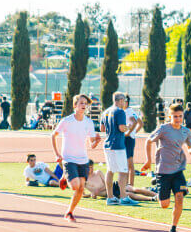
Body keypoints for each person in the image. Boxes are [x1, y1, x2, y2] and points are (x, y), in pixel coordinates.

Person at [142, 103, 191, 232]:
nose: (177, 119)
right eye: (175, 116)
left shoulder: (186, 131)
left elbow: (190, 146)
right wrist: (148, 161)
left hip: (178, 171)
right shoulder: (164, 129)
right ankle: (159, 188)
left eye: (180, 116)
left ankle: (173, 229)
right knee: (164, 205)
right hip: (163, 171)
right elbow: (148, 141)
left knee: (179, 198)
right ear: (169, 116)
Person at [51, 94, 101, 222]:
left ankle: (69, 212)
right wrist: (57, 154)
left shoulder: (89, 122)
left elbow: (92, 145)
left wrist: (97, 141)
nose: (84, 106)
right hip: (69, 159)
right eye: (81, 103)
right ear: (75, 105)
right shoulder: (67, 121)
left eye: (85, 103)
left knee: (81, 188)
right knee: (75, 186)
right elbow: (53, 135)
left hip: (83, 159)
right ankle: (65, 176)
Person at [100, 92, 138, 206]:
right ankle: (123, 197)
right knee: (123, 171)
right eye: (124, 100)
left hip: (107, 144)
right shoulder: (120, 111)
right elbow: (122, 128)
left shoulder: (105, 112)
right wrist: (129, 127)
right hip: (118, 145)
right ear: (120, 100)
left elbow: (102, 129)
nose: (125, 102)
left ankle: (110, 197)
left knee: (110, 170)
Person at [85, 160, 156, 201]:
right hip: (110, 193)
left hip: (112, 186)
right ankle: (151, 199)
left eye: (92, 167)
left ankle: (157, 195)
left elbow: (107, 184)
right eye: (89, 167)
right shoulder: (84, 180)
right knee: (129, 194)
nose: (91, 169)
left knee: (134, 189)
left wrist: (97, 191)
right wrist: (91, 194)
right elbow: (83, 195)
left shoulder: (98, 172)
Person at [123, 95, 142, 191]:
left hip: (128, 139)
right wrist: (134, 133)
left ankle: (130, 184)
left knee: (129, 162)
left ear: (126, 101)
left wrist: (129, 133)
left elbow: (135, 123)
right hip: (130, 138)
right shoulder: (131, 111)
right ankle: (128, 184)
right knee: (127, 163)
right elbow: (140, 123)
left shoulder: (128, 112)